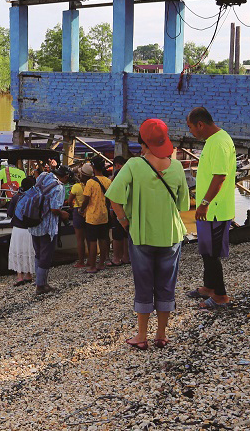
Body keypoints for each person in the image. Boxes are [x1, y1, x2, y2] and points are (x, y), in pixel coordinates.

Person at [105, 118, 189, 350]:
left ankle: (141, 336)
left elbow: (113, 197)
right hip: (171, 234)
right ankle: (161, 335)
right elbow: (183, 205)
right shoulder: (178, 167)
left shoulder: (133, 165)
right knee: (166, 284)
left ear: (142, 142)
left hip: (141, 234)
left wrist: (125, 223)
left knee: (143, 285)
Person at [186, 106, 237, 310]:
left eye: (191, 127)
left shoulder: (219, 143)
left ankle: (220, 296)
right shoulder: (214, 140)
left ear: (201, 124)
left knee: (212, 254)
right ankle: (209, 287)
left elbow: (220, 177)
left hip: (215, 209)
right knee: (206, 250)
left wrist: (205, 204)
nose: (190, 132)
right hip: (210, 208)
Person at [28, 165, 71, 295]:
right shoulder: (59, 187)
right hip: (47, 227)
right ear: (66, 177)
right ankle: (41, 286)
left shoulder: (43, 176)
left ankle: (39, 282)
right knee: (46, 256)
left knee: (38, 254)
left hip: (34, 222)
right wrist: (64, 214)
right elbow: (54, 209)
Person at [77, 161, 112, 273]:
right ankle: (101, 263)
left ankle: (92, 266)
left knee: (92, 241)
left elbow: (86, 199)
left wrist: (81, 210)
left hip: (92, 216)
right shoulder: (107, 181)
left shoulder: (90, 182)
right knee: (102, 240)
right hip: (104, 214)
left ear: (94, 168)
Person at [7, 176, 37, 286]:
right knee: (29, 251)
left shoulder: (16, 197)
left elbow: (10, 213)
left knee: (18, 252)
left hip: (18, 229)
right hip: (30, 229)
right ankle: (29, 275)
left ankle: (19, 277)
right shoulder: (35, 198)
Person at [107, 156, 130, 266]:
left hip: (119, 207)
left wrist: (112, 208)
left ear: (116, 165)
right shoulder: (130, 172)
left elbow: (113, 192)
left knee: (117, 235)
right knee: (126, 234)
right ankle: (126, 257)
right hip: (128, 207)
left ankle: (117, 258)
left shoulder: (118, 174)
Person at [66, 168, 87, 268]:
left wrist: (71, 206)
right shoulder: (90, 184)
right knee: (90, 238)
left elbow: (70, 201)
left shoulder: (76, 187)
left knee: (80, 239)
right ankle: (91, 260)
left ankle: (81, 261)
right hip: (89, 211)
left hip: (78, 211)